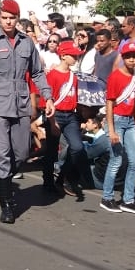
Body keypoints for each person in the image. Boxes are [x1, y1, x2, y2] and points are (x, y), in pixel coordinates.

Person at [0, 0, 55, 224]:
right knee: (1, 154)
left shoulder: (27, 43)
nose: (8, 22)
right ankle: (7, 204)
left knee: (21, 153)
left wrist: (47, 96)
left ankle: (2, 181)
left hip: (21, 106)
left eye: (12, 18)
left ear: (17, 19)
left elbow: (37, 73)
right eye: (4, 18)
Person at [100, 42, 135, 215]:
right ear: (123, 57)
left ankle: (128, 199)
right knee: (116, 160)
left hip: (129, 122)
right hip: (117, 120)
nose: (132, 59)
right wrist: (112, 130)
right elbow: (110, 103)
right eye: (128, 56)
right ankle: (107, 197)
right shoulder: (116, 76)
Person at [42, 41, 91, 200]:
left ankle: (62, 176)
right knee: (51, 151)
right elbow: (47, 101)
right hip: (55, 114)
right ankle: (48, 181)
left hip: (70, 116)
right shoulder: (52, 75)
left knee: (77, 147)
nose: (76, 58)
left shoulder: (73, 76)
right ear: (63, 56)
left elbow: (74, 96)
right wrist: (52, 122)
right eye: (73, 55)